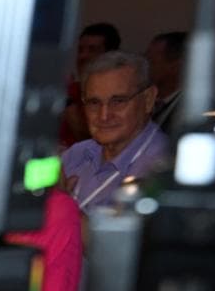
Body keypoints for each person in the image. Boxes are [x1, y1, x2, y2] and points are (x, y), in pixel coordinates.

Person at [61, 50, 168, 212]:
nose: (104, 116)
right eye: (94, 103)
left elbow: (125, 236)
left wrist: (59, 205)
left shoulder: (163, 166)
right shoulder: (78, 153)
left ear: (148, 99)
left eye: (118, 101)